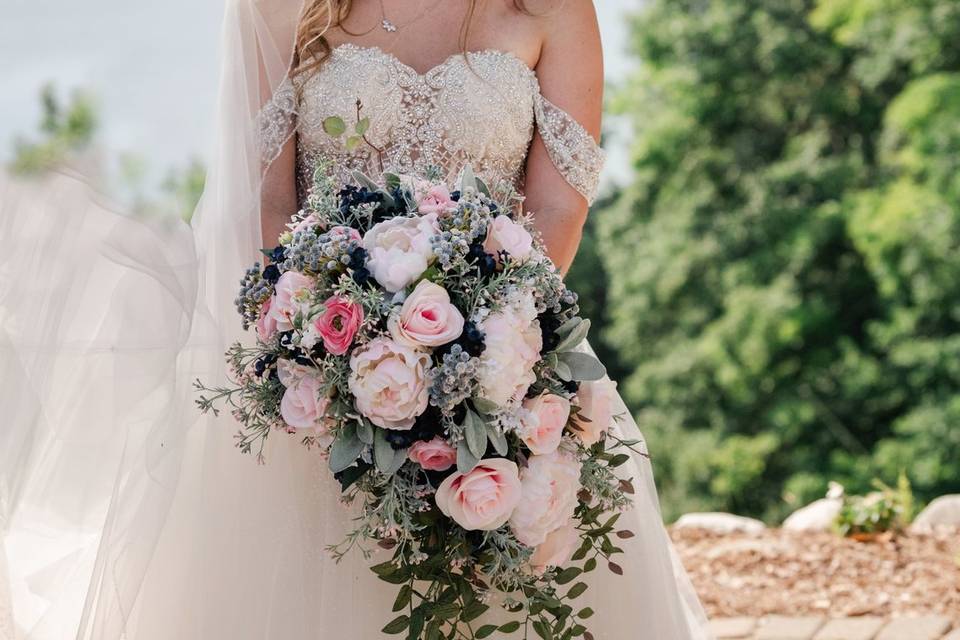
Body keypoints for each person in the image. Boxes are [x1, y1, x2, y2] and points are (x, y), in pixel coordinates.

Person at [0, 1, 712, 637]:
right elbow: (268, 204)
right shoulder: (284, 8)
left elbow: (559, 206)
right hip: (320, 376)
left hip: (505, 368)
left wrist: (492, 345)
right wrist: (327, 349)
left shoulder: (550, 8)